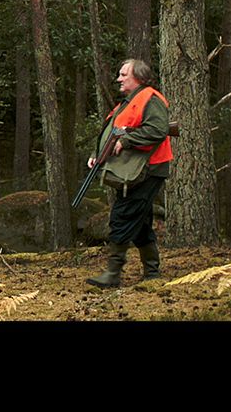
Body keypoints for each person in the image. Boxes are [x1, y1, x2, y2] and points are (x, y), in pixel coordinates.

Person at [86, 58, 171, 288]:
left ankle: (113, 274)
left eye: (124, 74)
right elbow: (112, 132)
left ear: (139, 78)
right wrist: (98, 155)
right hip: (136, 170)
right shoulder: (128, 102)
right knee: (140, 221)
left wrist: (128, 140)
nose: (119, 79)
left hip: (149, 169)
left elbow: (158, 130)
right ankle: (152, 272)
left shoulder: (150, 98)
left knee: (122, 216)